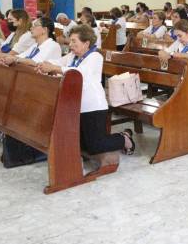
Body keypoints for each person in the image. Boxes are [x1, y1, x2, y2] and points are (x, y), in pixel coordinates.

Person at [36, 24, 135, 157]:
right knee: (81, 145)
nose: (70, 44)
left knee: (95, 146)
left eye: (74, 41)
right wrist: (43, 64)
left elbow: (80, 73)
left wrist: (54, 69)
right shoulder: (72, 56)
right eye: (70, 40)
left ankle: (124, 139)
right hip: (76, 105)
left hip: (93, 107)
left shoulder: (95, 57)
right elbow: (58, 62)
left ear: (86, 43)